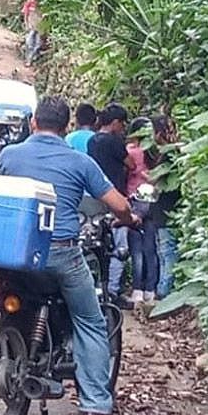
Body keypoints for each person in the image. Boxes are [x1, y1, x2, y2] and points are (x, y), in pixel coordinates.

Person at [0, 96, 138, 415]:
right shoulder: (79, 162)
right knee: (90, 320)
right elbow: (117, 203)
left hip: (13, 256)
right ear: (67, 128)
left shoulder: (9, 155)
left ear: (33, 122)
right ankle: (97, 409)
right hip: (60, 253)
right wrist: (129, 218)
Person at [87, 103, 135, 306]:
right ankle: (112, 291)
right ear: (115, 123)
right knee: (119, 246)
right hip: (115, 198)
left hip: (93, 199)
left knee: (91, 243)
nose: (123, 128)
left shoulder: (92, 141)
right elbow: (131, 164)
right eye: (122, 124)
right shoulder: (114, 142)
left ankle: (94, 287)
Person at [125, 117, 158, 304]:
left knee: (135, 249)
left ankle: (137, 289)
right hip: (152, 201)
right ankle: (150, 290)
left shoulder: (130, 152)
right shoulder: (154, 154)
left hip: (134, 201)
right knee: (150, 249)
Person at [148, 114, 180, 298]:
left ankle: (165, 293)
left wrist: (148, 178)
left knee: (168, 253)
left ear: (159, 134)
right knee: (166, 252)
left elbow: (157, 181)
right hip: (167, 210)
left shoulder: (168, 154)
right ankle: (164, 290)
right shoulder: (173, 152)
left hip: (166, 210)